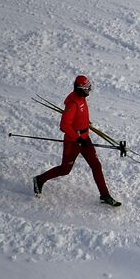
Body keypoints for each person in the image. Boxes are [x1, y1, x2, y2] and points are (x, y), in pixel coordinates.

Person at [33, 75, 121, 207]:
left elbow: (79, 116)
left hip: (85, 138)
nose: (89, 90)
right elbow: (64, 125)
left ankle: (105, 195)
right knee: (65, 170)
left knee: (96, 166)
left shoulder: (81, 98)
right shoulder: (73, 104)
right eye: (87, 88)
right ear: (80, 89)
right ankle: (39, 179)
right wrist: (78, 138)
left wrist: (85, 122)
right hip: (73, 142)